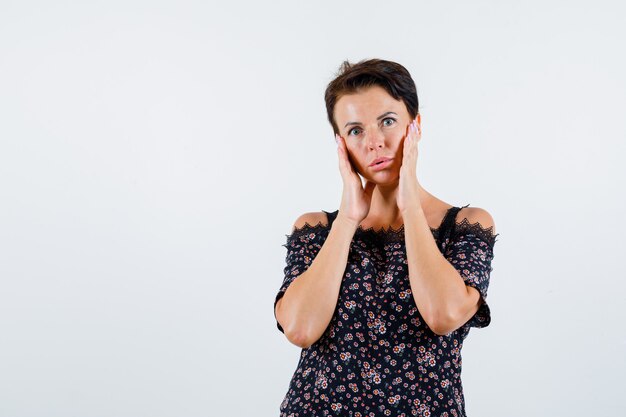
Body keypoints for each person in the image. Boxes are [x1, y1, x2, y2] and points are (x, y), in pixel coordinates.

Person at [273, 58, 499, 416]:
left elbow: (444, 315)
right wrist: (347, 219)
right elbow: (300, 329)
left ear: (416, 126)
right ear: (340, 143)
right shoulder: (317, 230)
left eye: (388, 122)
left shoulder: (466, 225)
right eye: (355, 130)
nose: (374, 142)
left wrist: (411, 209)